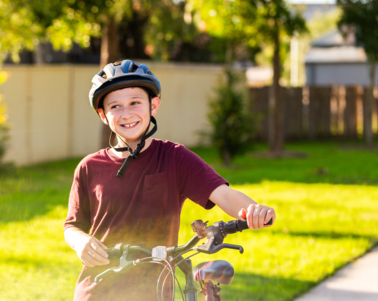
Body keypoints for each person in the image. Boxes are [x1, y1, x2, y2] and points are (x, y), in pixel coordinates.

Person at [64, 60, 276, 301]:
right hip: (98, 289)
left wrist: (252, 210)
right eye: (115, 106)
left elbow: (223, 194)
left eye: (135, 102)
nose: (127, 113)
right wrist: (81, 242)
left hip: (154, 290)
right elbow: (72, 225)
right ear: (103, 115)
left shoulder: (174, 158)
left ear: (153, 105)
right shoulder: (89, 167)